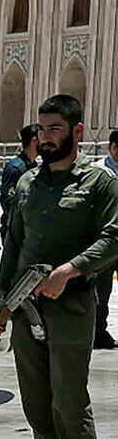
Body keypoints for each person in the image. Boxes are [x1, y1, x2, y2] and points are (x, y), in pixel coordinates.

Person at [0, 95, 118, 439]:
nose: (45, 138)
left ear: (77, 132)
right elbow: (15, 245)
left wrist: (71, 270)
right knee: (37, 399)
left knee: (68, 396)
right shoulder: (27, 184)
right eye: (41, 130)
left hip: (73, 307)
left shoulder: (99, 184)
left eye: (55, 129)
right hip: (27, 307)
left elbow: (114, 237)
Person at [92, 129, 118, 348]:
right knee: (101, 288)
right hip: (105, 239)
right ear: (110, 147)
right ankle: (98, 331)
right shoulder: (98, 171)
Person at [0, 125, 40, 241]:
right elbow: (7, 200)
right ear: (34, 141)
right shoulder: (16, 168)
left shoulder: (33, 167)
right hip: (16, 231)